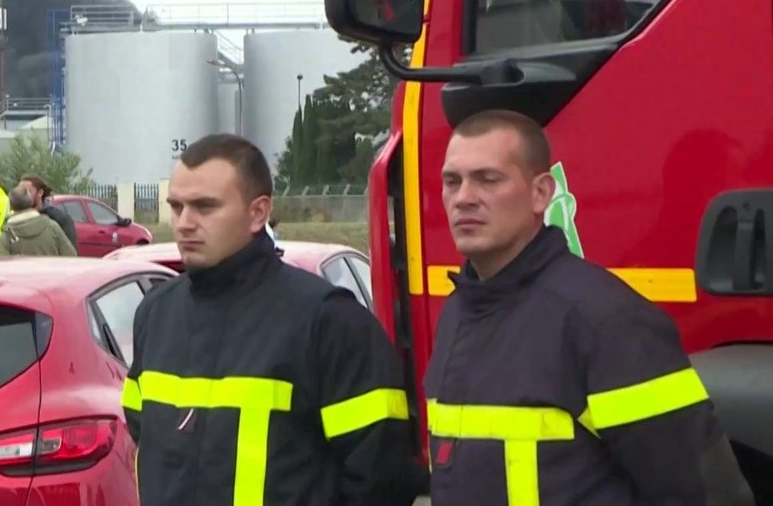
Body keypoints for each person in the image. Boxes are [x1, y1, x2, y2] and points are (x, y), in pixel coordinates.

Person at [426, 109, 753, 505]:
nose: (463, 198)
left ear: (541, 193)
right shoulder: (459, 312)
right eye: (451, 181)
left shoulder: (606, 321)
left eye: (488, 179)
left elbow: (704, 494)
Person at [122, 133, 424, 506]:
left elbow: (381, 475)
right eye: (177, 206)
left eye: (204, 207)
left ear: (258, 213)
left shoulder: (328, 321)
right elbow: (145, 434)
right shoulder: (156, 312)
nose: (184, 223)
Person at [0, 186, 78, 257]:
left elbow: (2, 267)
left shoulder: (6, 236)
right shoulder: (52, 227)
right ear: (31, 202)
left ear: (11, 206)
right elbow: (71, 256)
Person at [18, 174, 78, 251]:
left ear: (40, 193)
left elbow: (71, 253)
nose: (23, 196)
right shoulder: (15, 219)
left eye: (28, 192)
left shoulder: (60, 219)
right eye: (20, 192)